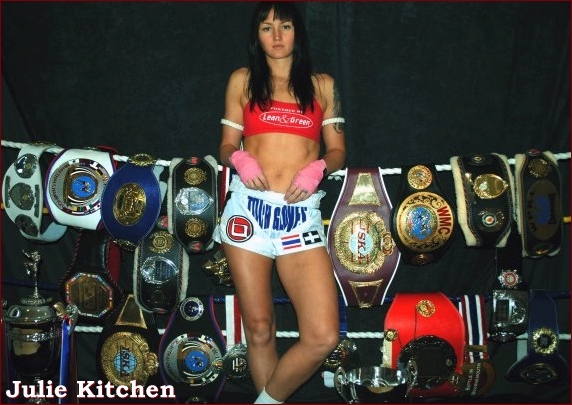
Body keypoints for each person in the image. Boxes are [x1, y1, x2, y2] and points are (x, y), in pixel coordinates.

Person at [213, 2, 346, 403]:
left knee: (323, 335)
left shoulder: (323, 85)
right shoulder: (242, 80)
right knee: (258, 328)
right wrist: (239, 159)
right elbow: (225, 146)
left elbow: (338, 151)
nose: (276, 36)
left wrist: (318, 168)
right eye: (267, 27)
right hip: (248, 213)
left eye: (285, 26)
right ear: (256, 35)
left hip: (299, 218)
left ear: (297, 32)